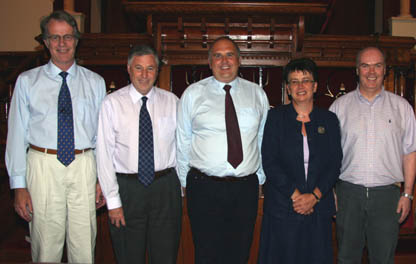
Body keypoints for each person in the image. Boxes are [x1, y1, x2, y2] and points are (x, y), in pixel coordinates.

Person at [5, 10, 106, 263]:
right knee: (45, 246)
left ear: (77, 40)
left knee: (84, 247)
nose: (62, 44)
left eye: (68, 37)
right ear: (46, 42)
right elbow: (16, 134)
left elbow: (103, 137)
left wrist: (103, 178)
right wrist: (19, 186)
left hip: (84, 164)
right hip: (43, 165)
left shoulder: (95, 82)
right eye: (55, 37)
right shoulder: (27, 81)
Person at [176, 36, 269, 264]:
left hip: (245, 188)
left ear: (239, 60)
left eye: (229, 54)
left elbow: (262, 138)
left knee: (240, 253)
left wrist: (259, 178)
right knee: (207, 254)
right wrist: (186, 183)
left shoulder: (257, 94)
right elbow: (182, 140)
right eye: (217, 55)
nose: (224, 60)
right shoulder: (192, 94)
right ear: (210, 62)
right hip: (204, 187)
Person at [329, 46, 416, 263]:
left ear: (385, 69)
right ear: (356, 69)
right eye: (365, 65)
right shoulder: (339, 107)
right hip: (348, 195)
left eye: (377, 65)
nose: (372, 71)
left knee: (383, 257)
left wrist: (407, 194)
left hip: (387, 196)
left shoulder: (402, 107)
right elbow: (329, 156)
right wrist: (330, 192)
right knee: (347, 257)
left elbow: (410, 153)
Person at [96, 45, 182, 264]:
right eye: (139, 68)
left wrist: (180, 186)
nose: (144, 75)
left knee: (165, 255)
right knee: (128, 255)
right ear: (128, 69)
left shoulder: (172, 101)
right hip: (127, 189)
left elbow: (182, 146)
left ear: (157, 70)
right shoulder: (112, 104)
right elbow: (104, 156)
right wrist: (113, 202)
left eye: (150, 68)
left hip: (165, 187)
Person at [257, 58, 342, 264]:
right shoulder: (274, 118)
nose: (300, 86)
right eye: (294, 81)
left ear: (315, 86)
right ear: (288, 88)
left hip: (318, 207)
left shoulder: (329, 120)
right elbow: (269, 161)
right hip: (283, 207)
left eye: (305, 80)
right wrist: (297, 196)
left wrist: (314, 196)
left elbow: (335, 162)